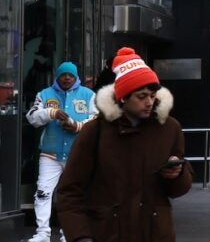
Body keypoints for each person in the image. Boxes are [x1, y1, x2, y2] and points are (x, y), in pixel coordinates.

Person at [55, 48, 192, 242]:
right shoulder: (96, 131)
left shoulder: (170, 128)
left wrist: (177, 173)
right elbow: (69, 191)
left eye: (152, 96)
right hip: (107, 233)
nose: (149, 102)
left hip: (155, 233)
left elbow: (179, 189)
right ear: (123, 97)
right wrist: (80, 236)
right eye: (141, 96)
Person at [25, 61, 96, 242]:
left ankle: (69, 233)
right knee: (43, 192)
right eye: (63, 75)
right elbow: (32, 118)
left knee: (72, 196)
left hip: (76, 154)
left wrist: (77, 126)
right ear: (58, 76)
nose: (66, 78)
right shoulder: (45, 94)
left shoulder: (89, 95)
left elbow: (97, 120)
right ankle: (42, 233)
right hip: (50, 153)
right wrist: (51, 113)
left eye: (70, 75)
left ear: (76, 77)